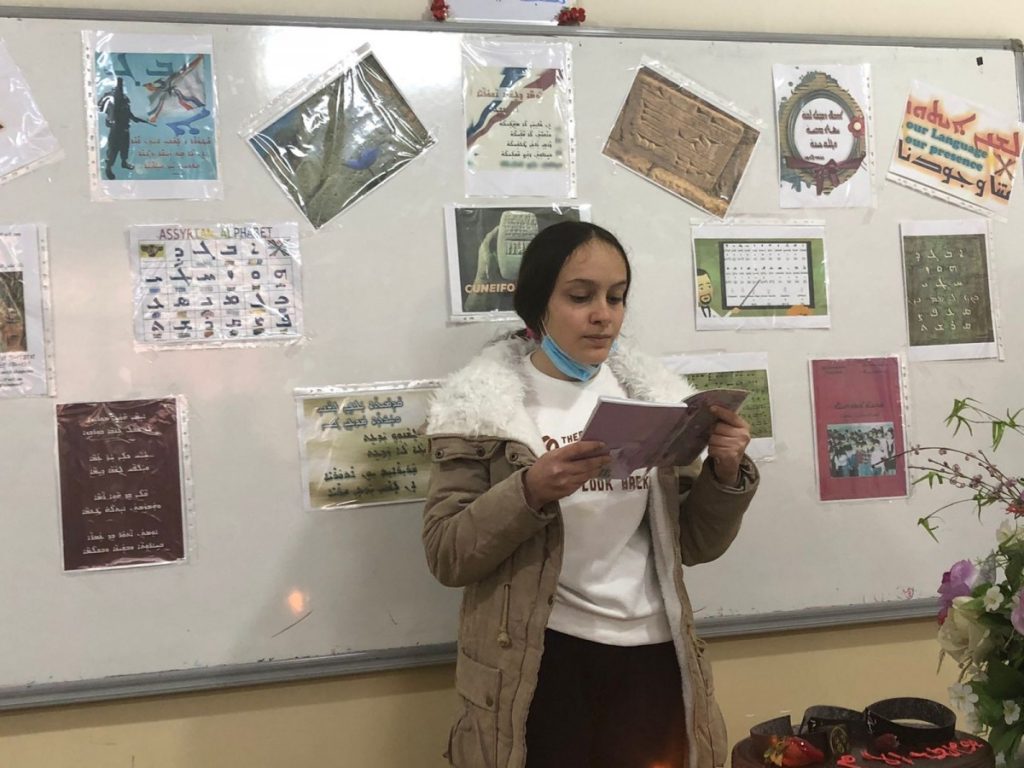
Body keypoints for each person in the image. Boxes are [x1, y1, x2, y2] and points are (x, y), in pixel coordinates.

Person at [422, 221, 759, 768]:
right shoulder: (482, 411)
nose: (603, 314)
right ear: (537, 306)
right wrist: (529, 491)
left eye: (616, 297)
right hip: (541, 659)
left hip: (653, 653)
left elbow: (696, 544)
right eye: (580, 297)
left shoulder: (654, 401)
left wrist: (725, 472)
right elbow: (448, 554)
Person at [97, 77, 150, 180]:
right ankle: (108, 168)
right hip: (116, 128)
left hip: (125, 127)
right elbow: (111, 102)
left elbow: (128, 113)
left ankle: (124, 162)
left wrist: (136, 119)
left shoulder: (125, 99)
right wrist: (119, 83)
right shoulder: (112, 98)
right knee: (113, 149)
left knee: (125, 147)